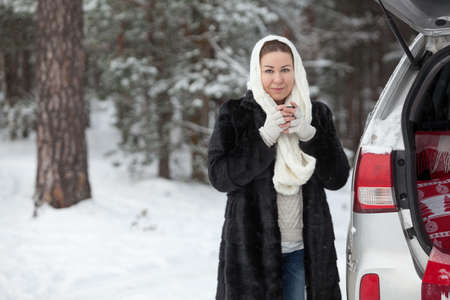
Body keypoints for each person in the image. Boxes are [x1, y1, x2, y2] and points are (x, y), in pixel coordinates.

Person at [208, 35, 350, 300]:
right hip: (251, 255)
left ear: (296, 70)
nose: (278, 79)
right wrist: (264, 137)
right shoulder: (235, 114)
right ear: (256, 72)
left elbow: (338, 178)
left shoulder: (315, 114)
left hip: (303, 251)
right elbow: (220, 177)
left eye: (285, 69)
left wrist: (310, 135)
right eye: (269, 70)